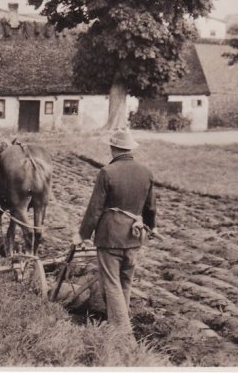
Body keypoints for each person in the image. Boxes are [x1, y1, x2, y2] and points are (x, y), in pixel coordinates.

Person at [72, 129, 157, 333]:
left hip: (110, 237)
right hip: (134, 237)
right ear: (129, 148)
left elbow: (95, 209)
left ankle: (121, 333)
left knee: (111, 284)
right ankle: (118, 323)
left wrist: (82, 235)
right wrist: (150, 227)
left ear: (113, 148)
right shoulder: (146, 172)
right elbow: (151, 208)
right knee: (125, 282)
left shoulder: (107, 172)